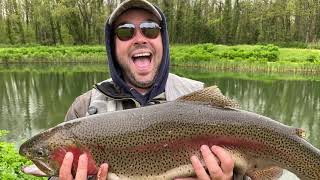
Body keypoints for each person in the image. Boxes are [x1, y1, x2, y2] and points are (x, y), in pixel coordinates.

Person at [58, 0, 235, 179]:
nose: (140, 39)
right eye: (125, 31)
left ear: (163, 39)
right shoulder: (83, 109)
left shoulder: (203, 103)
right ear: (112, 45)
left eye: (150, 29)